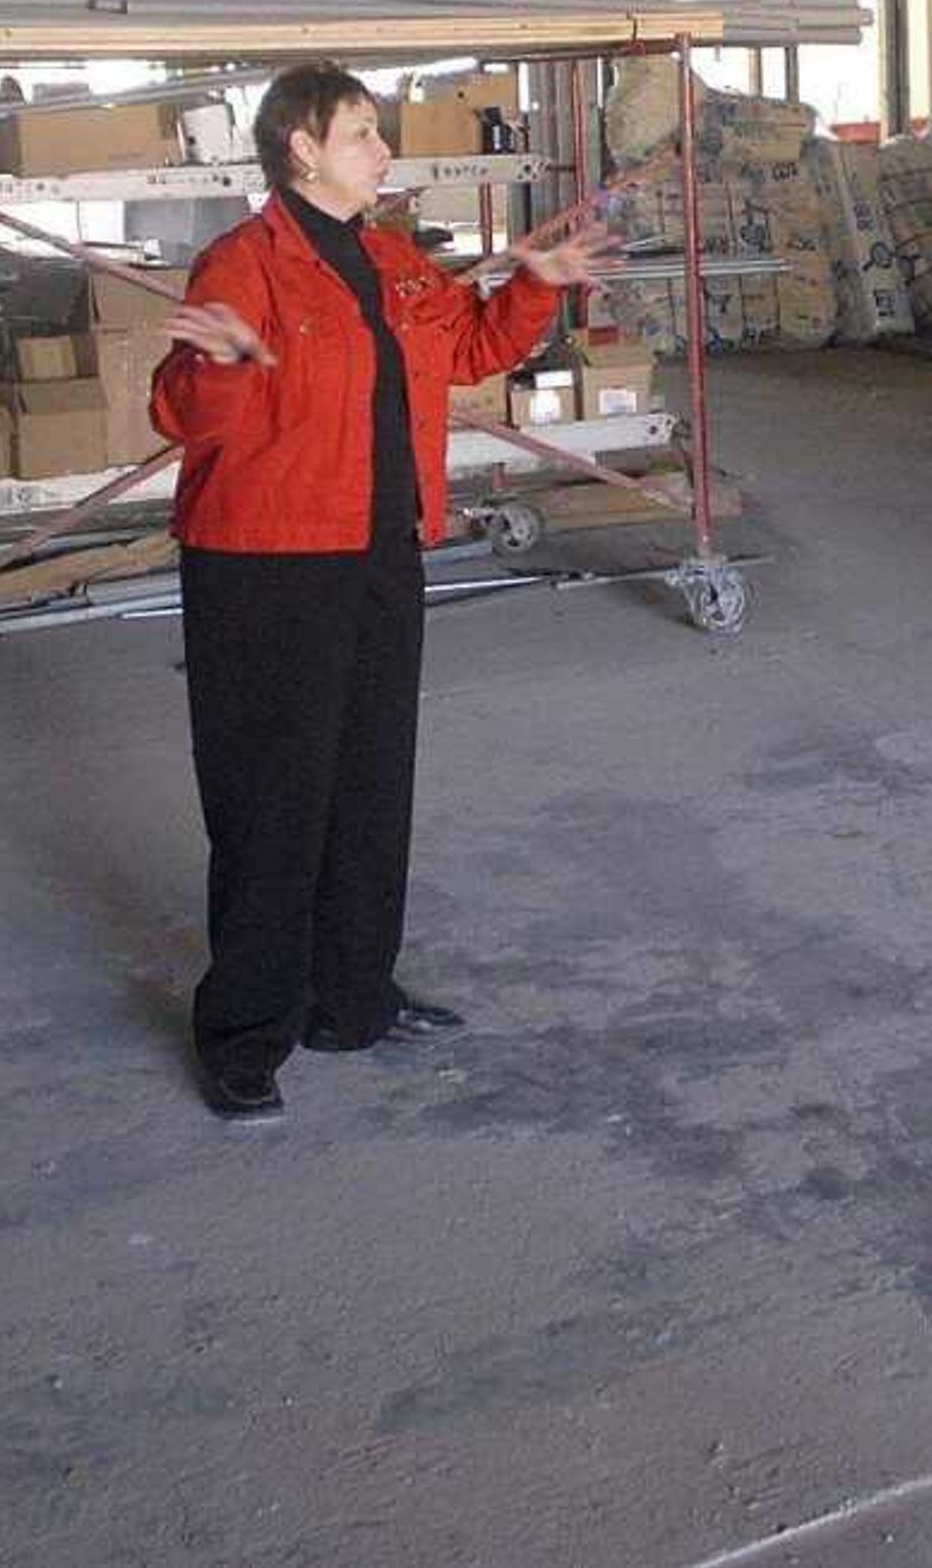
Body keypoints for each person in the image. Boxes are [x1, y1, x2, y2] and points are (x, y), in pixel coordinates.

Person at [148, 64, 617, 1120]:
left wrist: (535, 280)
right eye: (361, 131)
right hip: (267, 561)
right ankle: (247, 1030)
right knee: (273, 797)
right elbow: (183, 415)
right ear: (301, 148)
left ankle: (352, 995)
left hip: (380, 550)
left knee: (368, 782)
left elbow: (470, 347)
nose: (382, 149)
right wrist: (223, 360)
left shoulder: (396, 260)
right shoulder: (243, 262)